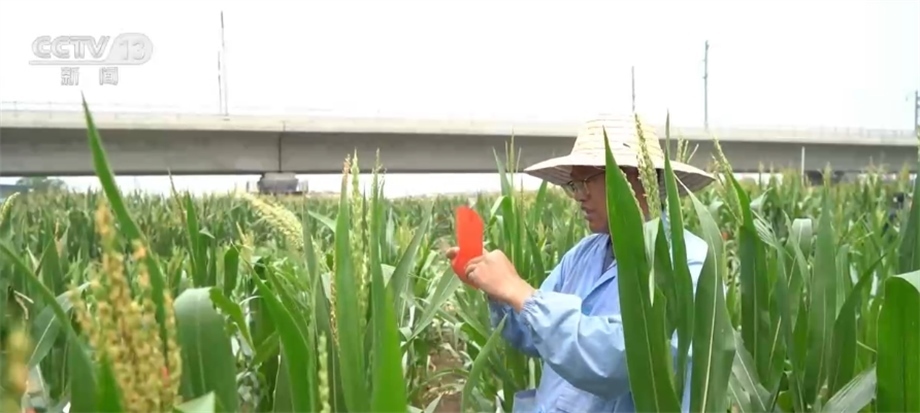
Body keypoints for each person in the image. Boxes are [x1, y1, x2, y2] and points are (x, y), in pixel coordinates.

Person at [445, 115, 715, 412]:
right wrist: (496, 289)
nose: (578, 196)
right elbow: (532, 336)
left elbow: (622, 360)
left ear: (633, 176)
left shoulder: (687, 263)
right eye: (573, 185)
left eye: (585, 182)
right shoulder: (583, 254)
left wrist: (521, 292)